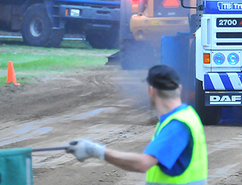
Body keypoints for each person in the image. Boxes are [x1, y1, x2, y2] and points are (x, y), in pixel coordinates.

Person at [67, 65, 208, 184]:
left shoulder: (176, 125)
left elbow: (143, 163)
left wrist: (96, 151)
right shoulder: (189, 115)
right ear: (180, 88)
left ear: (151, 90)